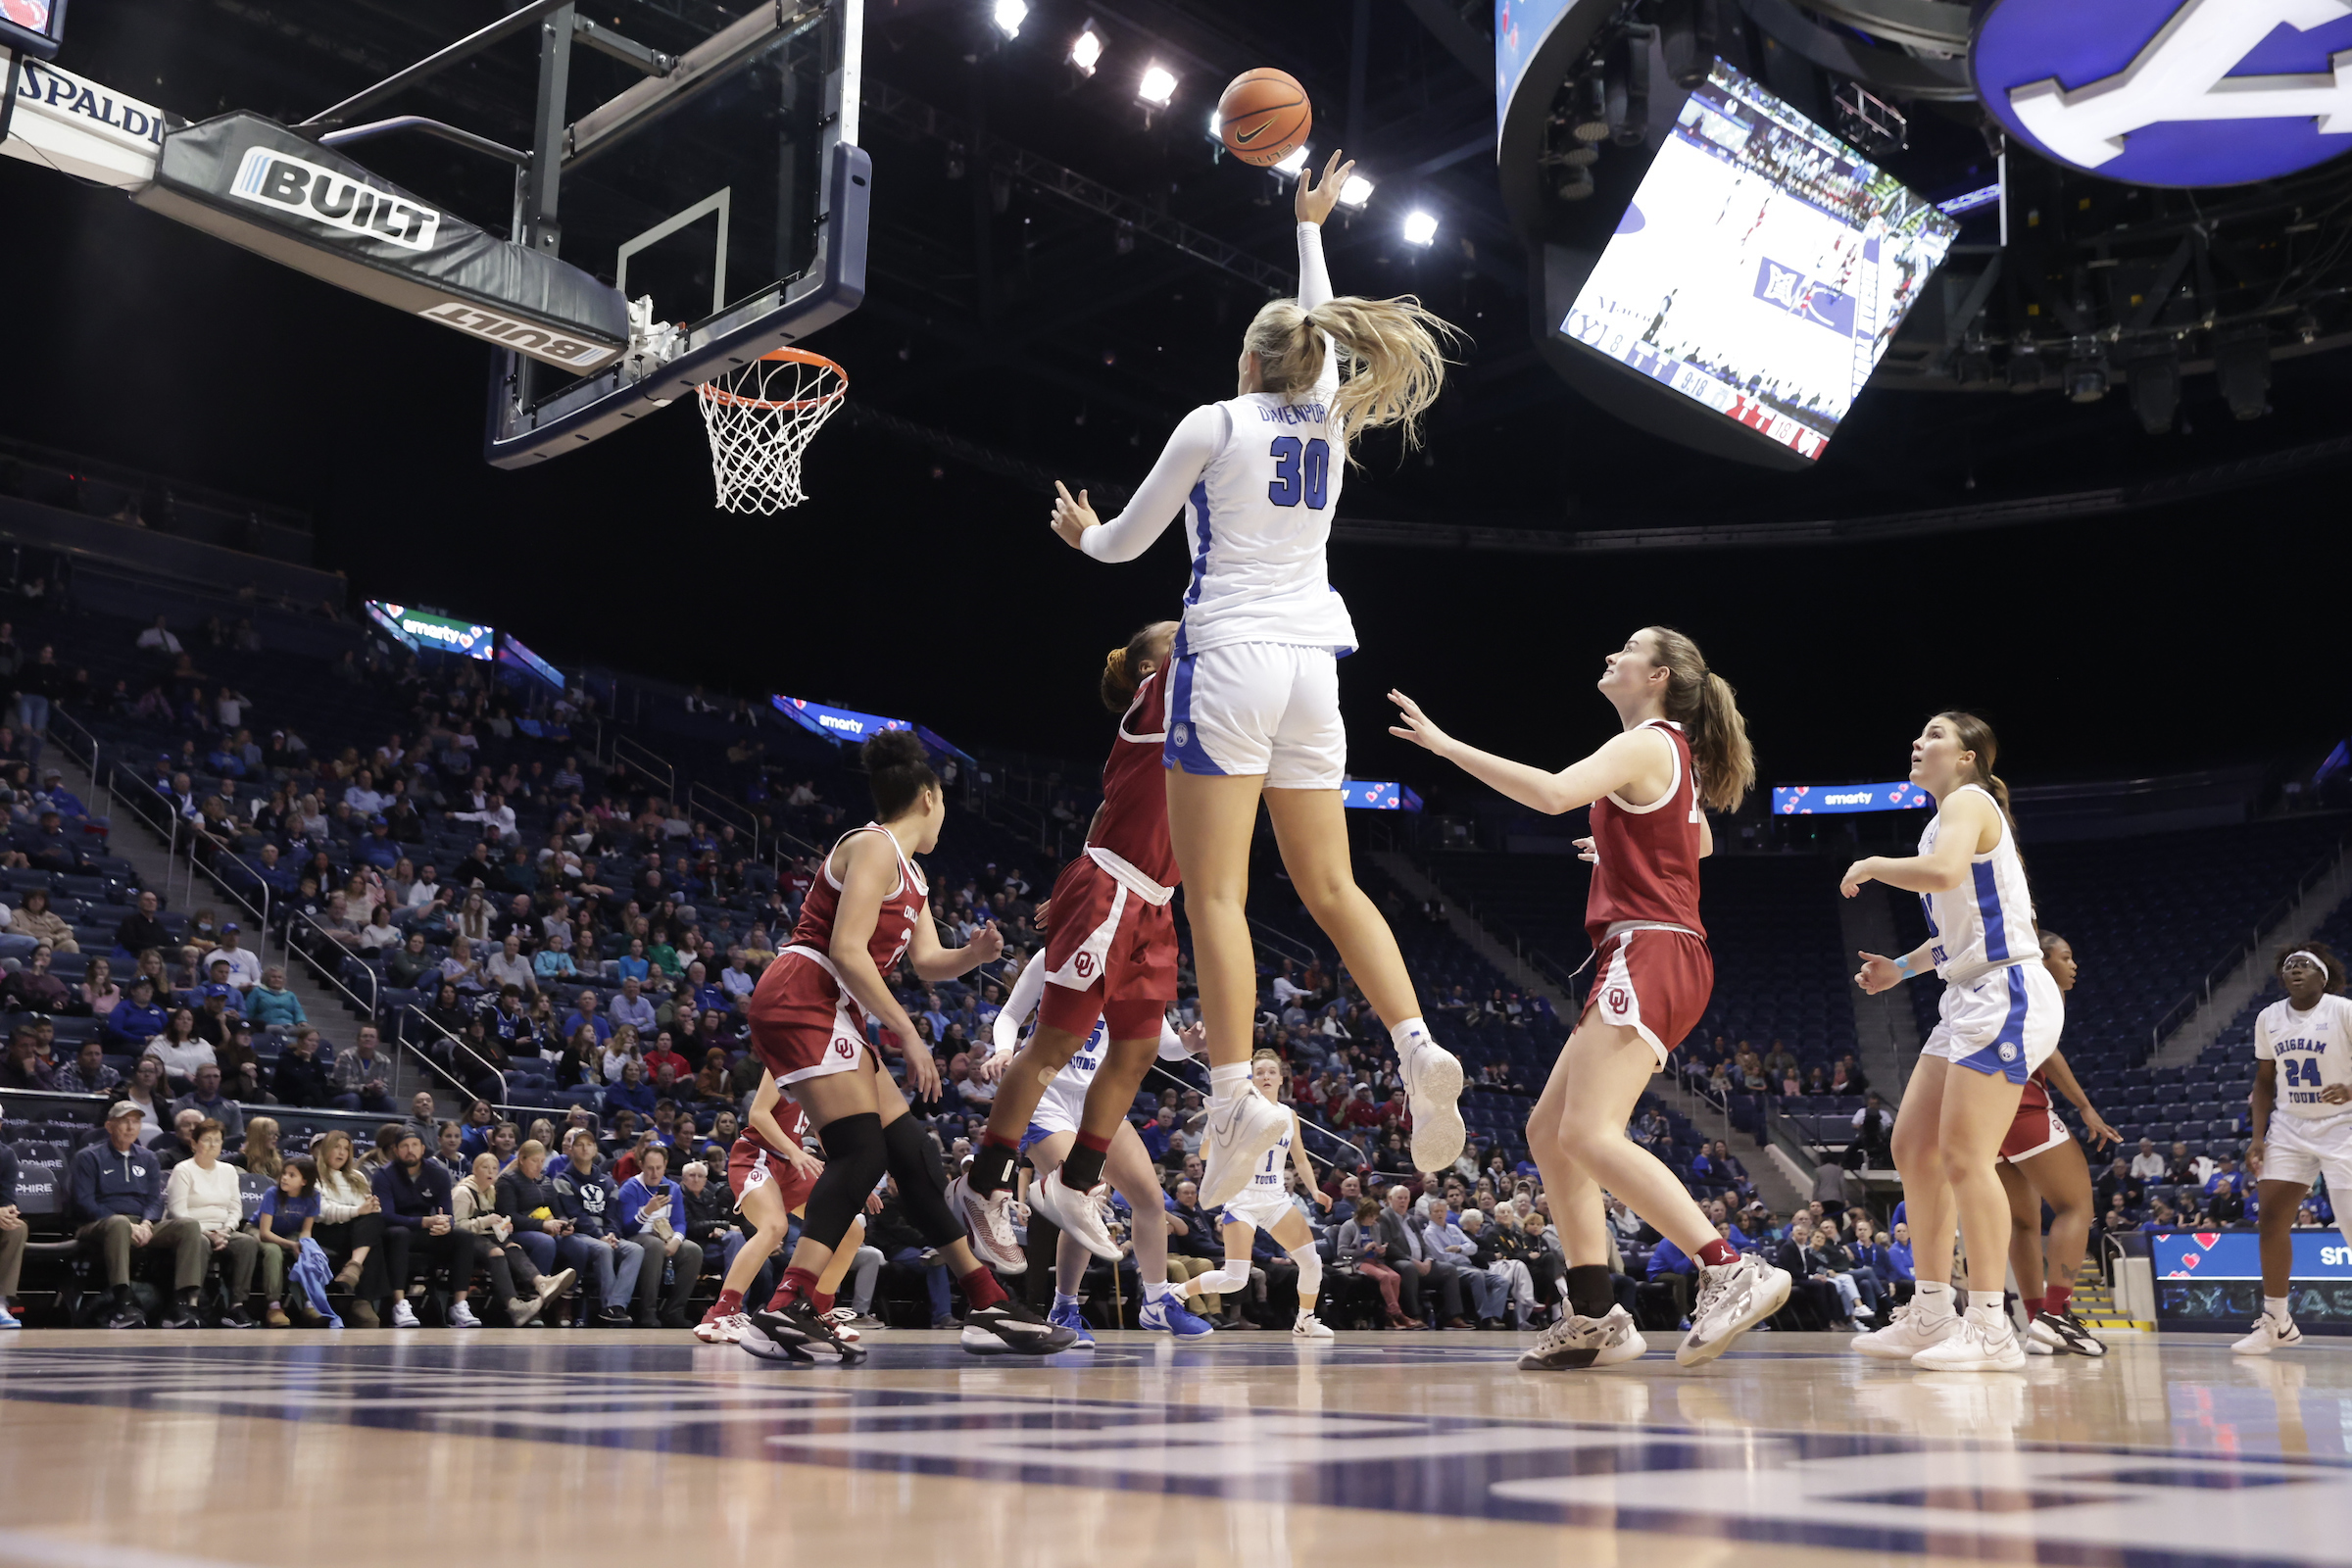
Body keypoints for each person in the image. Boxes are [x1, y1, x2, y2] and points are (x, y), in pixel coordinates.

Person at [1046, 152, 1466, 1215]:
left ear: (1245, 358)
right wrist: (1310, 227)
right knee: (1335, 889)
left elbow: (1128, 542)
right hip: (1314, 668)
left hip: (1228, 656)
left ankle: (1235, 1098)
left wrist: (1082, 533)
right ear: (1310, 362)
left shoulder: (1214, 422)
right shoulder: (1327, 412)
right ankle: (1417, 1046)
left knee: (1218, 894)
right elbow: (1320, 325)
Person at [1390, 626, 1787, 1370]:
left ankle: (1730, 1265)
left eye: (1628, 648)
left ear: (1659, 674)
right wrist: (1621, 848)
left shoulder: (1645, 742)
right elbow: (1696, 845)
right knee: (1550, 1132)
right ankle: (1598, 1312)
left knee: (1593, 1133)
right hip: (1649, 948)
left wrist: (1445, 747)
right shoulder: (1672, 753)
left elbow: (1549, 794)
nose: (1611, 654)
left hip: (1651, 948)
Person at [738, 731, 1072, 1359]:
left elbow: (924, 963)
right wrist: (911, 1035)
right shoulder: (871, 845)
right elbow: (844, 950)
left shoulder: (911, 873)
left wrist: (971, 955)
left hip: (833, 1008)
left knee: (913, 1155)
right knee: (861, 1153)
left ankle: (987, 1305)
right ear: (928, 797)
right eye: (943, 802)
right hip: (803, 993)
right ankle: (786, 1307)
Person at [951, 620, 1194, 1274]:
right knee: (1051, 1047)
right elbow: (1208, 618)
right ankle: (984, 1186)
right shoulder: (1151, 704)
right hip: (1113, 889)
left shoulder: (1197, 718)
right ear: (1150, 668)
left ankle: (1075, 1181)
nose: (1186, 636)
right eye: (1173, 637)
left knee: (1139, 1049)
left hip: (1155, 901)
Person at [1846, 712, 2061, 1372]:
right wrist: (1900, 969)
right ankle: (1931, 1312)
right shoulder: (1942, 821)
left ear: (1967, 757)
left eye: (1935, 734)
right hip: (1967, 994)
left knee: (1968, 1157)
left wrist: (1875, 864)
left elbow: (1939, 874)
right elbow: (1955, 934)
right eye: (1918, 733)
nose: (1918, 741)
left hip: (2008, 992)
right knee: (1913, 1145)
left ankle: (1992, 1326)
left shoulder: (1971, 801)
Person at [979, 954, 1217, 1345]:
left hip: (1101, 1097)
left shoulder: (1140, 972)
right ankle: (1065, 1307)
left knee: (1149, 1199)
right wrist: (1005, 1050)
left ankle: (1157, 1302)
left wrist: (1189, 1044)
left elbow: (1165, 1046)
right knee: (1083, 1196)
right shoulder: (1058, 953)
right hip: (1046, 1094)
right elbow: (1008, 1016)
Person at [1996, 932, 2120, 1357]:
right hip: (2022, 1104)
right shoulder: (2040, 988)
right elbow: (2047, 1053)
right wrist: (2085, 1107)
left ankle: (2036, 1322)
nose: (2073, 965)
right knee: (2077, 1205)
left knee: (2024, 1223)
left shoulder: (2006, 984)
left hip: (1984, 1110)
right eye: (2066, 957)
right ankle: (2056, 1312)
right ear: (2042, 960)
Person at [695, 1070, 875, 1346]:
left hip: (792, 1165)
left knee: (850, 1230)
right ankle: (721, 1314)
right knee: (774, 1226)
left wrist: (855, 1182)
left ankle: (818, 1311)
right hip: (757, 1155)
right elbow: (758, 1114)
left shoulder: (825, 1073)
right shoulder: (782, 1060)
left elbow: (827, 1132)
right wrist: (794, 1151)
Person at [2235, 944, 2352, 1355]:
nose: (2294, 970)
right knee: (2270, 1222)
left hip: (2344, 1125)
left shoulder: (2343, 1010)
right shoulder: (2269, 1017)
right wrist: (2256, 1137)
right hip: (2289, 1125)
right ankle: (2277, 1322)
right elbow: (2264, 1081)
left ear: (2324, 976)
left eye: (2303, 964)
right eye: (2288, 966)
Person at [69, 1101, 208, 1328]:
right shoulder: (88, 1157)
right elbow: (84, 1202)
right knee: (119, 1223)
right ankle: (123, 1303)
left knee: (189, 1226)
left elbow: (154, 1199)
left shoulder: (148, 1158)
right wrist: (125, 1224)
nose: (131, 1127)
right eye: (124, 1121)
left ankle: (183, 1304)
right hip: (98, 1223)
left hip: (139, 1223)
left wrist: (146, 1223)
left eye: (136, 1122)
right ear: (109, 1126)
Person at [371, 1128, 481, 1327]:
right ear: (396, 1150)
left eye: (414, 1145)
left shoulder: (438, 1173)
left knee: (464, 1236)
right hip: (396, 1231)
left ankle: (459, 1306)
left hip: (428, 1231)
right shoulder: (383, 1175)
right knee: (399, 1234)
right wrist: (423, 1221)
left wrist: (446, 1225)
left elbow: (448, 1213)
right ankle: (399, 1305)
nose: (410, 1150)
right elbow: (386, 1216)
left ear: (423, 1149)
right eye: (404, 1146)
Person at [452, 1151, 572, 1326]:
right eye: (485, 1168)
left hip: (485, 1236)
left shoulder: (491, 1191)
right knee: (496, 1252)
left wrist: (504, 1226)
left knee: (513, 1246)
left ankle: (541, 1283)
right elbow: (457, 1226)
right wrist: (484, 1221)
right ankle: (513, 1305)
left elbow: (493, 1221)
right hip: (462, 1240)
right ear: (475, 1170)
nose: (490, 1172)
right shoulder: (463, 1192)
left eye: (494, 1168)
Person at [164, 1118, 261, 1327]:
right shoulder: (183, 1169)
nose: (213, 1145)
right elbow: (177, 1211)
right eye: (207, 1140)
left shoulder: (228, 1171)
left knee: (247, 1242)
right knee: (199, 1241)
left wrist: (226, 1230)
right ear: (194, 1143)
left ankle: (236, 1306)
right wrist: (209, 1233)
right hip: (191, 1229)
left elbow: (235, 1208)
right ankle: (191, 1305)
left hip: (222, 1230)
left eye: (217, 1140)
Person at [613, 1144, 704, 1329]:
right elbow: (627, 1228)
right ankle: (648, 1311)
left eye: (659, 1168)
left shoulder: (673, 1188)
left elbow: (679, 1222)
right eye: (650, 1168)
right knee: (654, 1245)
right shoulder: (630, 1188)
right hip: (638, 1237)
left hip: (665, 1237)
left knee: (693, 1251)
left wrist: (676, 1241)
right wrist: (647, 1211)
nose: (654, 1173)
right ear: (641, 1165)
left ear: (665, 1165)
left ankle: (674, 1310)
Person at [253, 1156, 326, 1327]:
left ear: (304, 1181)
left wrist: (302, 1244)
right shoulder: (272, 1193)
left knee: (308, 1249)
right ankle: (274, 1306)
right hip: (259, 1230)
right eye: (284, 1173)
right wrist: (291, 1245)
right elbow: (264, 1233)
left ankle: (310, 1303)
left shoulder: (314, 1196)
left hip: (290, 1234)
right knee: (273, 1251)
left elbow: (306, 1230)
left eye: (292, 1175)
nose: (284, 1178)